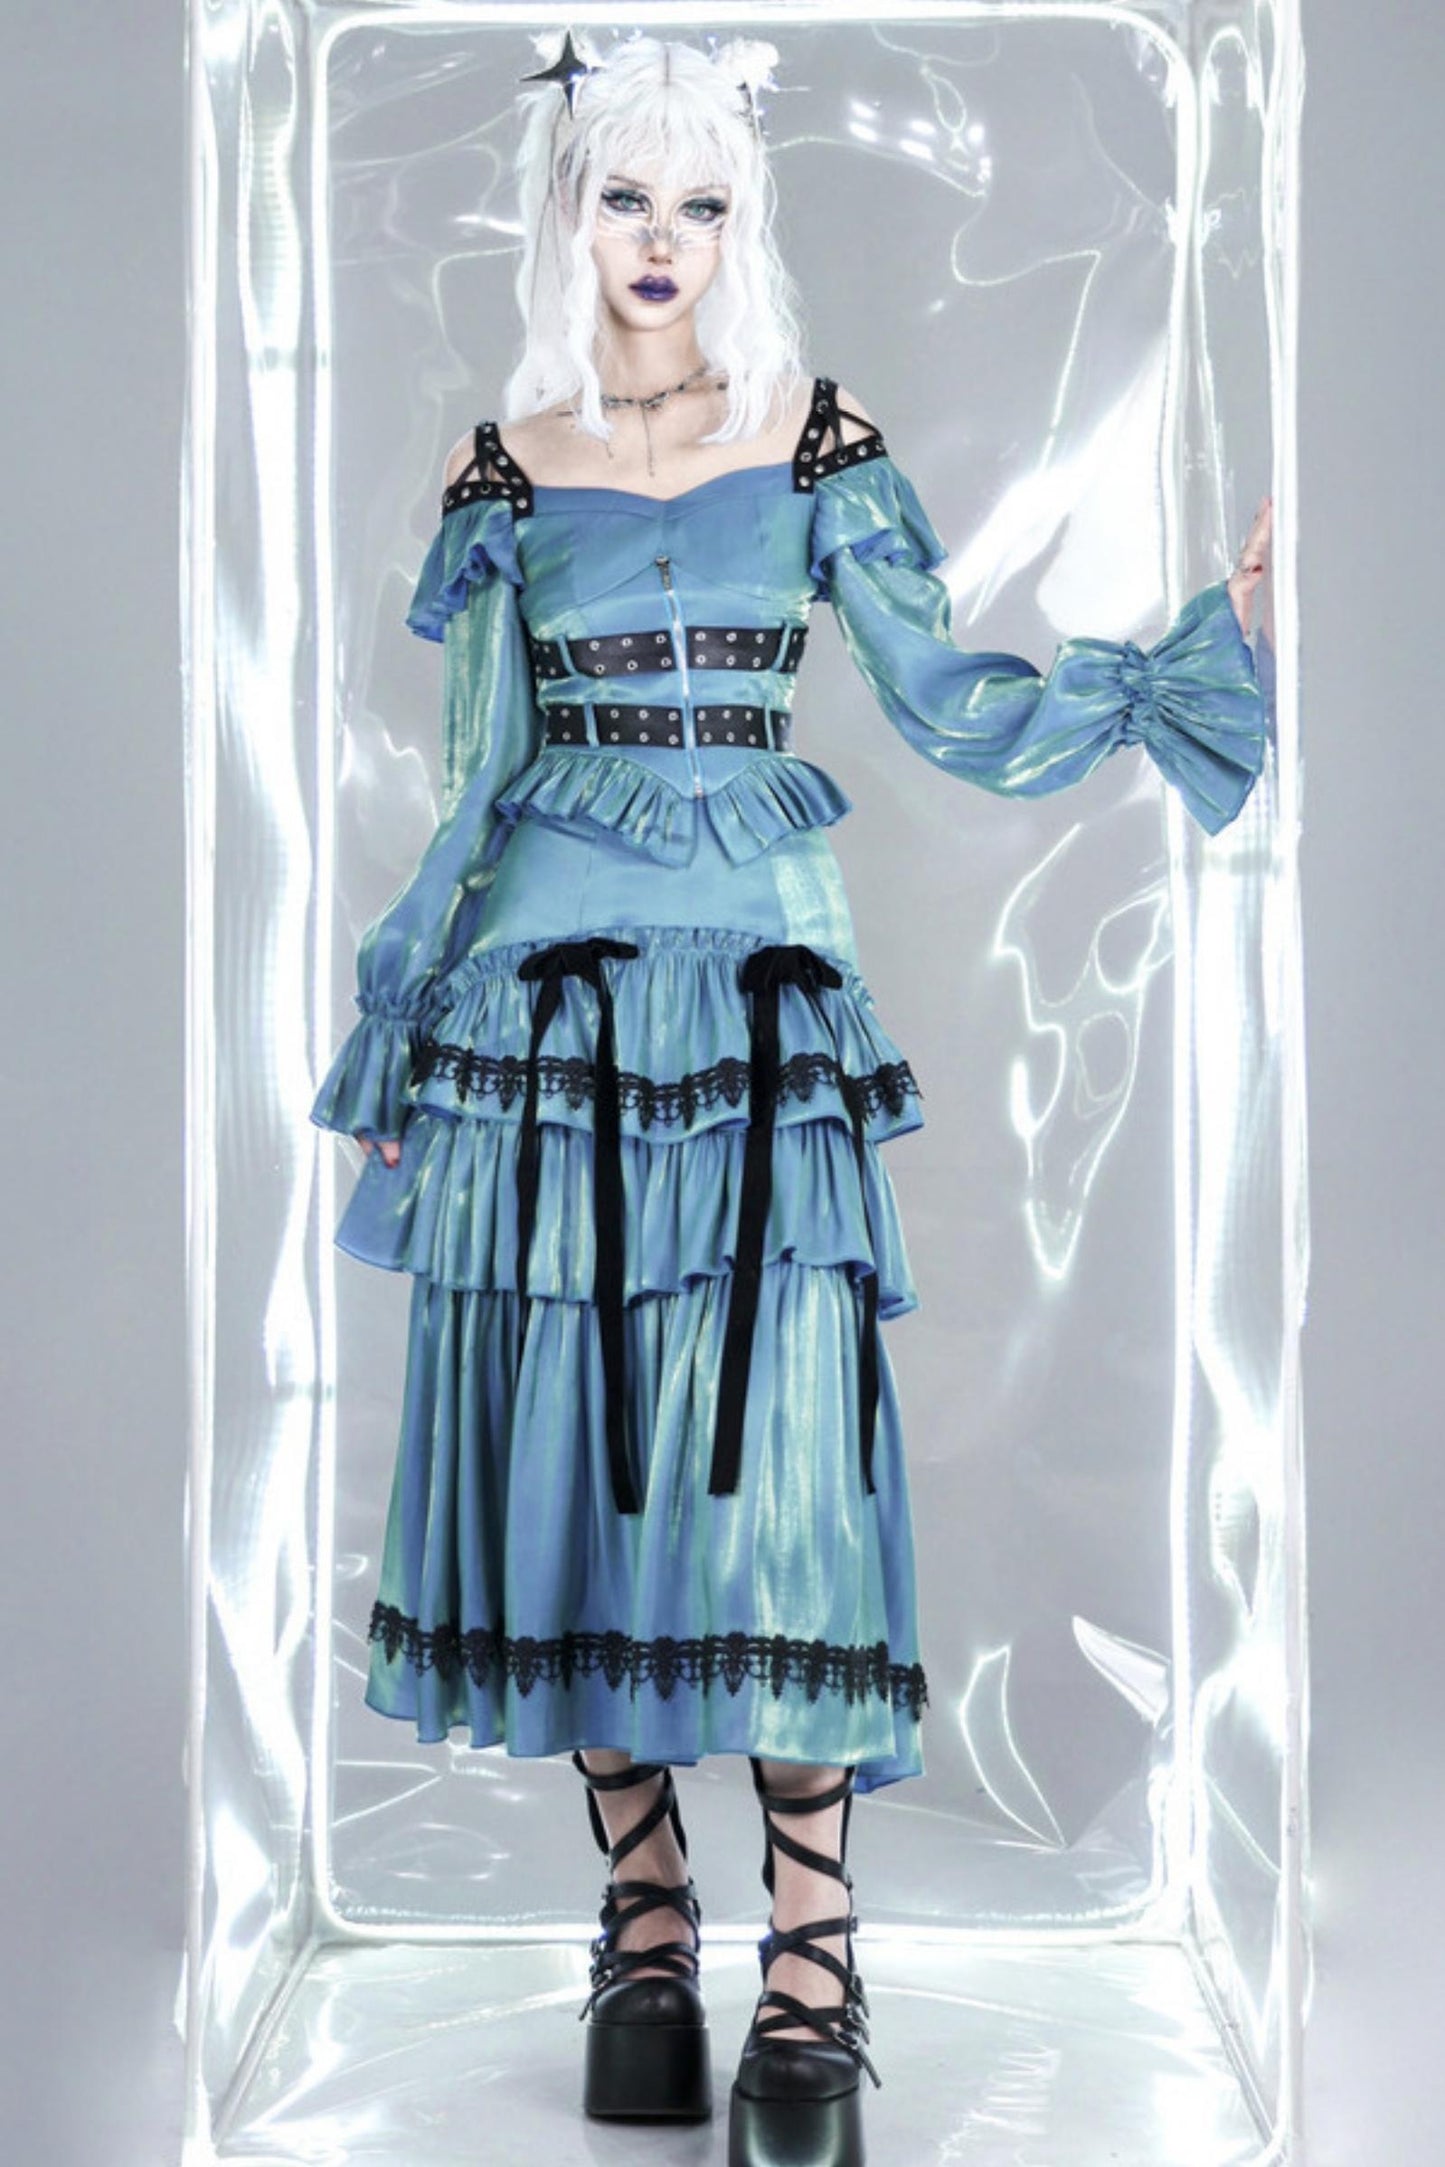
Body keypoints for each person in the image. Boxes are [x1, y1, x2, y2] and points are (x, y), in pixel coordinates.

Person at [309, 27, 1272, 2165]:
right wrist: (399, 1033)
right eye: (625, 197)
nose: (663, 239)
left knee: (779, 1456)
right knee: (575, 1445)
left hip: (758, 1004)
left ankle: (816, 1958)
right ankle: (645, 1929)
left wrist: (1197, 649)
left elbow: (944, 697)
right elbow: (475, 778)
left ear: (743, 218)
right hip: (543, 1014)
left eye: (702, 201)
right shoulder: (503, 468)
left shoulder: (816, 440)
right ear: (570, 214)